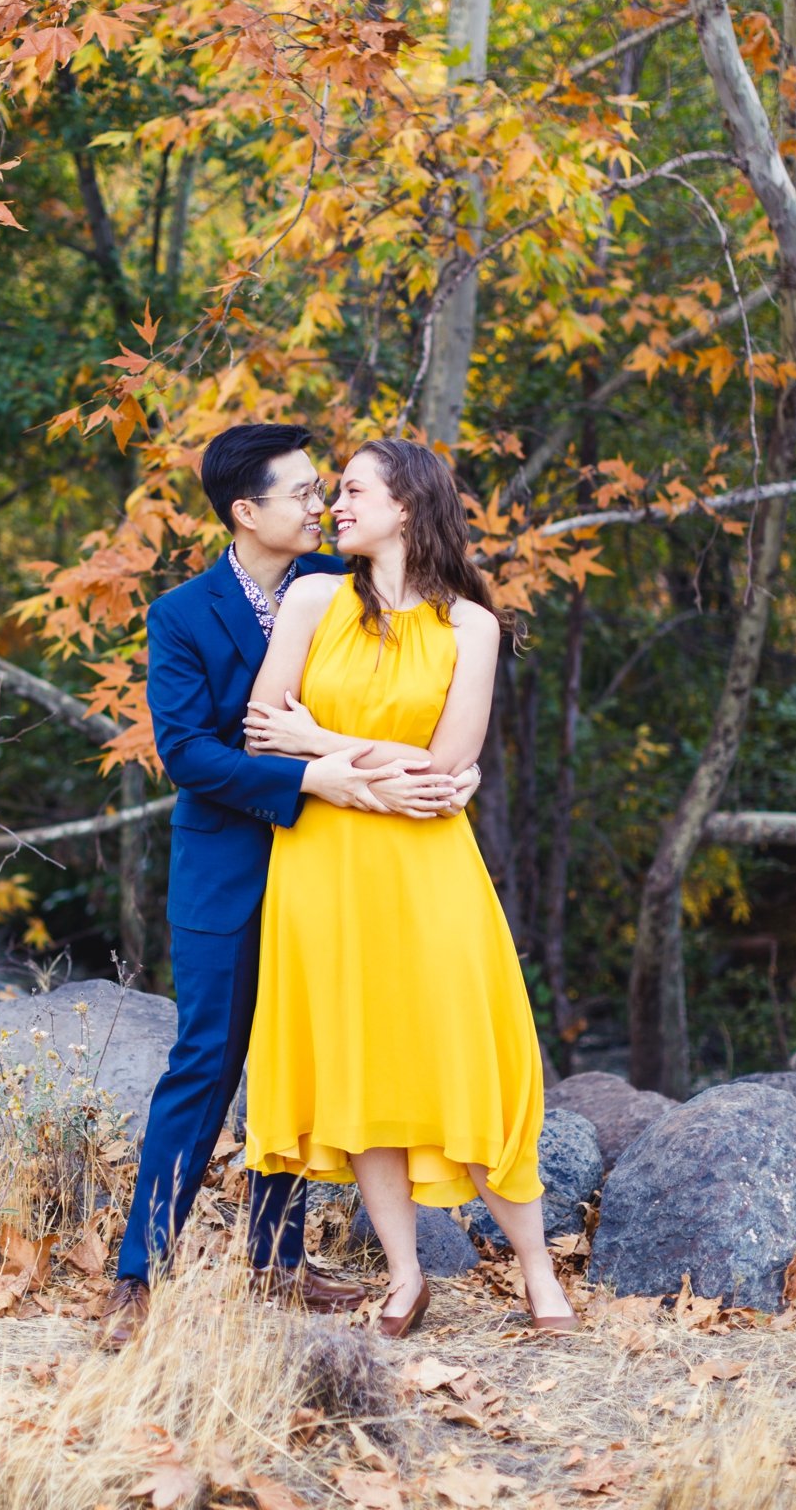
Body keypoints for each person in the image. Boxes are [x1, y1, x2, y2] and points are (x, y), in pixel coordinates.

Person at [97, 424, 475, 1348]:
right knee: (209, 1059)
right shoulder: (183, 616)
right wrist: (317, 778)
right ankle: (139, 1273)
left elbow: (418, 705)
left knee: (303, 1060)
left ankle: (278, 1259)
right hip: (229, 867)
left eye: (328, 490)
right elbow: (188, 754)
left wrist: (447, 775)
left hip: (342, 866)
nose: (322, 504)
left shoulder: (346, 596)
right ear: (246, 512)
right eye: (304, 493)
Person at [240, 437, 576, 1337]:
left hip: (429, 870)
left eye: (351, 491)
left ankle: (540, 1279)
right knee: (361, 1063)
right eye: (333, 493)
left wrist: (327, 742)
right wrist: (337, 756)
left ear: (407, 507)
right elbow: (263, 731)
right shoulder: (312, 597)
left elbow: (448, 767)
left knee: (470, 1060)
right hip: (325, 866)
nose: (333, 507)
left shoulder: (472, 625)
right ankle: (403, 1277)